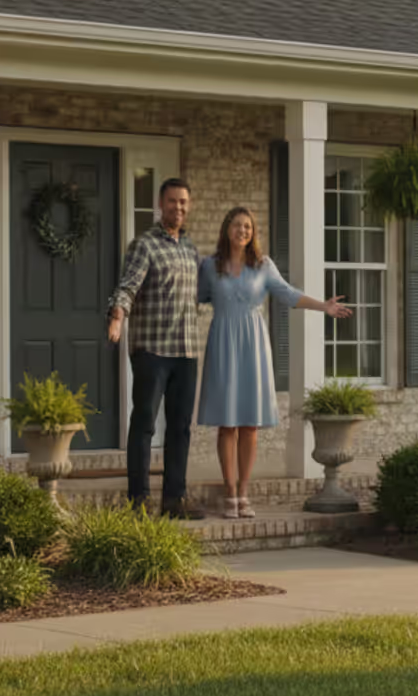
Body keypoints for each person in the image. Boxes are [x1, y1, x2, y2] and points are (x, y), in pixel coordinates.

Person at [196, 207, 352, 519]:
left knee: (249, 424)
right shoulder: (210, 266)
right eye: (238, 225)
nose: (243, 231)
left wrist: (323, 306)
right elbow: (195, 298)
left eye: (248, 227)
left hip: (253, 346)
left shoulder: (263, 266)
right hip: (223, 344)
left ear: (252, 233)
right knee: (227, 424)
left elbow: (289, 294)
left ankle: (243, 492)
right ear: (227, 229)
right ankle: (228, 492)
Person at [107, 178, 205, 519]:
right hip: (152, 350)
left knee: (180, 427)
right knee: (145, 423)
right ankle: (138, 501)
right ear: (160, 205)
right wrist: (117, 317)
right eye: (172, 201)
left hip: (187, 350)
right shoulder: (144, 245)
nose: (178, 207)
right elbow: (127, 286)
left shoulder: (191, 249)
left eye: (183, 202)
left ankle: (174, 501)